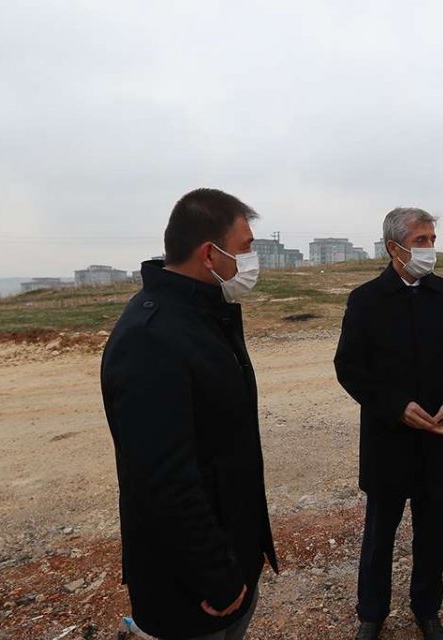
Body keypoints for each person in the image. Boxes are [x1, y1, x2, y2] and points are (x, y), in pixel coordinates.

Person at [101, 188, 277, 640]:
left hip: (228, 560)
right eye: (245, 248)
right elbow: (164, 479)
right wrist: (216, 578)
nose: (252, 260)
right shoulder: (152, 336)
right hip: (192, 589)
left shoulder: (204, 316)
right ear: (209, 254)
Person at [334, 207, 443, 640]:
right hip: (389, 440)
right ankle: (372, 613)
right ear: (394, 247)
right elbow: (349, 367)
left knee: (433, 533)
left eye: (432, 239)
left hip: (440, 439)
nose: (430, 249)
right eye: (421, 241)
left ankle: (426, 608)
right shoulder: (365, 300)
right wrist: (394, 406)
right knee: (379, 533)